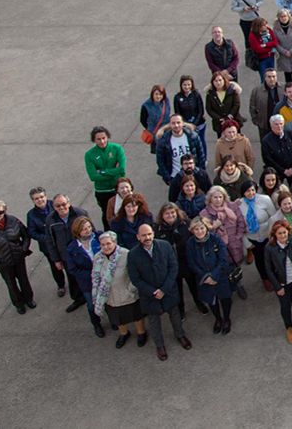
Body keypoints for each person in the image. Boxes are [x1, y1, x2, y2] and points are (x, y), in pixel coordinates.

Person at [127, 224, 192, 361]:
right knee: (154, 321)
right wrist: (153, 291)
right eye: (144, 235)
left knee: (175, 315)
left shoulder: (165, 246)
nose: (147, 237)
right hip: (149, 295)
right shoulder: (133, 255)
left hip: (168, 290)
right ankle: (160, 345)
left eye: (149, 234)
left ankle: (180, 335)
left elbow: (173, 267)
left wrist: (164, 289)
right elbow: (135, 278)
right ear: (138, 237)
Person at [186, 216, 235, 335]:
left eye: (202, 228)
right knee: (211, 301)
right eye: (196, 229)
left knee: (225, 298)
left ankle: (227, 319)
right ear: (192, 230)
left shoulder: (216, 239)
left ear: (206, 228)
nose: (199, 231)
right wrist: (206, 277)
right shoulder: (190, 243)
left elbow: (223, 259)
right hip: (204, 279)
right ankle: (218, 319)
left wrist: (214, 275)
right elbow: (191, 263)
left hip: (220, 275)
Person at [265, 220, 292, 344]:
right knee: (285, 307)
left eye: (285, 233)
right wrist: (277, 286)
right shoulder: (269, 248)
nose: (283, 236)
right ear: (275, 235)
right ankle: (289, 328)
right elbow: (268, 269)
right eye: (280, 233)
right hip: (282, 284)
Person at [0, 200, 35, 314]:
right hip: (3, 263)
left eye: (0, 212)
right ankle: (19, 304)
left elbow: (26, 235)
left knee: (24, 280)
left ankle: (29, 299)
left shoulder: (14, 221)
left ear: (5, 211)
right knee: (11, 284)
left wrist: (23, 249)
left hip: (18, 258)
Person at [44, 194, 88, 312]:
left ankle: (93, 298)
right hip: (66, 256)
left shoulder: (80, 214)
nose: (61, 207)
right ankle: (78, 299)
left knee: (88, 276)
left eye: (64, 204)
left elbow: (90, 231)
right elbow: (50, 241)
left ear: (69, 203)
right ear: (53, 207)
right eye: (58, 206)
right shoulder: (50, 220)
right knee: (72, 278)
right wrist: (56, 259)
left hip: (82, 253)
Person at [65, 216, 105, 337]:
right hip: (87, 282)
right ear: (77, 231)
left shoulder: (99, 237)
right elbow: (72, 269)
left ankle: (114, 321)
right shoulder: (72, 248)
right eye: (84, 229)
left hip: (104, 276)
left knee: (108, 300)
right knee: (91, 305)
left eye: (89, 227)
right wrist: (91, 274)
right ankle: (96, 324)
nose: (88, 230)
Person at [84, 126, 127, 225]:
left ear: (108, 137)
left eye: (104, 138)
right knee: (107, 215)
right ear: (94, 140)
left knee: (124, 212)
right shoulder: (89, 155)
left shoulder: (117, 149)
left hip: (119, 188)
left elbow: (122, 169)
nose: (102, 141)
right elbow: (93, 177)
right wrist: (114, 172)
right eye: (98, 139)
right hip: (103, 191)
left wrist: (102, 172)